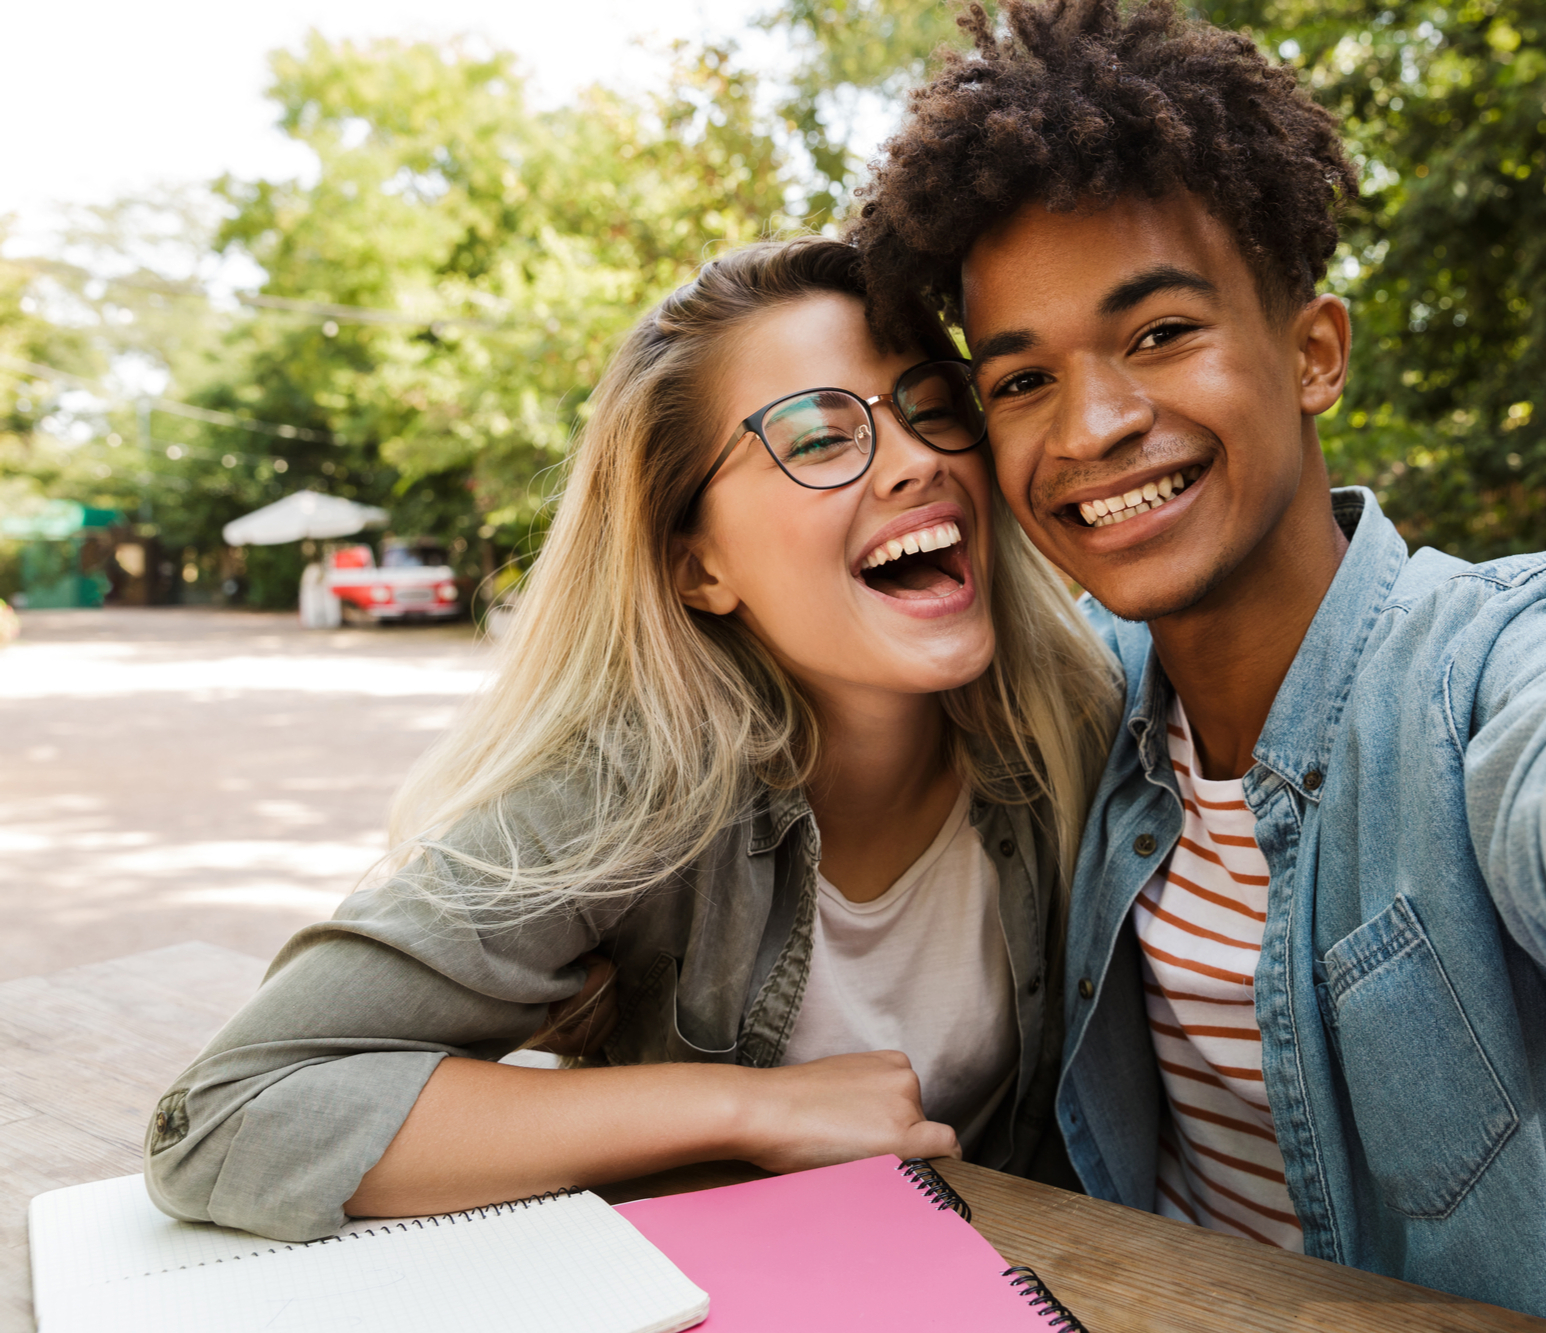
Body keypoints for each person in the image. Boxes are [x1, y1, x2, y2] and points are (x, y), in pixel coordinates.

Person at [845, 1, 1546, 1329]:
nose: (1096, 422)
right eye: (1023, 378)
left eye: (1160, 333)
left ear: (1313, 350)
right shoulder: (1083, 702)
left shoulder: (1497, 659)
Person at [143, 237, 1118, 1242]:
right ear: (698, 568)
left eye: (933, 406)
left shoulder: (1088, 728)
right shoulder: (626, 786)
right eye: (820, 440)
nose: (917, 459)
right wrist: (750, 1108)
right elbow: (226, 1115)